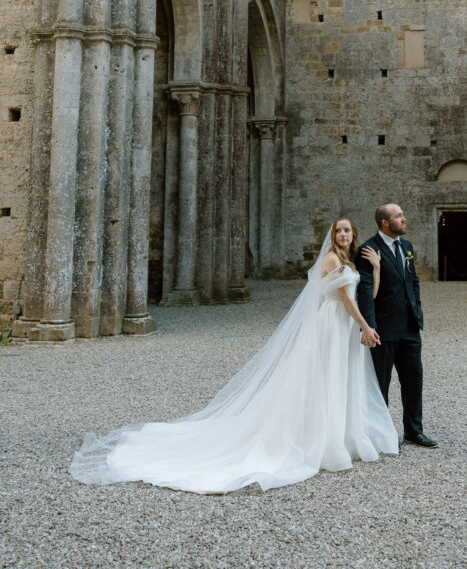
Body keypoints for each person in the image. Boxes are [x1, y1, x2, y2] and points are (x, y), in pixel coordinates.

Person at [70, 217, 398, 493]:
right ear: (333, 235)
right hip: (334, 323)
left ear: (354, 234)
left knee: (340, 378)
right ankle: (324, 440)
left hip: (345, 325)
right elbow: (346, 300)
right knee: (326, 377)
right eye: (339, 230)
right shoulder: (331, 260)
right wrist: (365, 327)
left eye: (347, 230)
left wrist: (377, 270)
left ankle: (340, 435)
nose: (343, 234)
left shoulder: (350, 262)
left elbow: (365, 296)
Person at [357, 203, 437, 448]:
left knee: (413, 380)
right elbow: (365, 290)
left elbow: (412, 280)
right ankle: (380, 435)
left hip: (410, 326)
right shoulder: (368, 249)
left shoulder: (407, 246)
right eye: (398, 216)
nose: (404, 219)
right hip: (383, 328)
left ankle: (414, 431)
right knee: (381, 384)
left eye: (402, 215)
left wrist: (417, 309)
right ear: (384, 222)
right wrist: (369, 326)